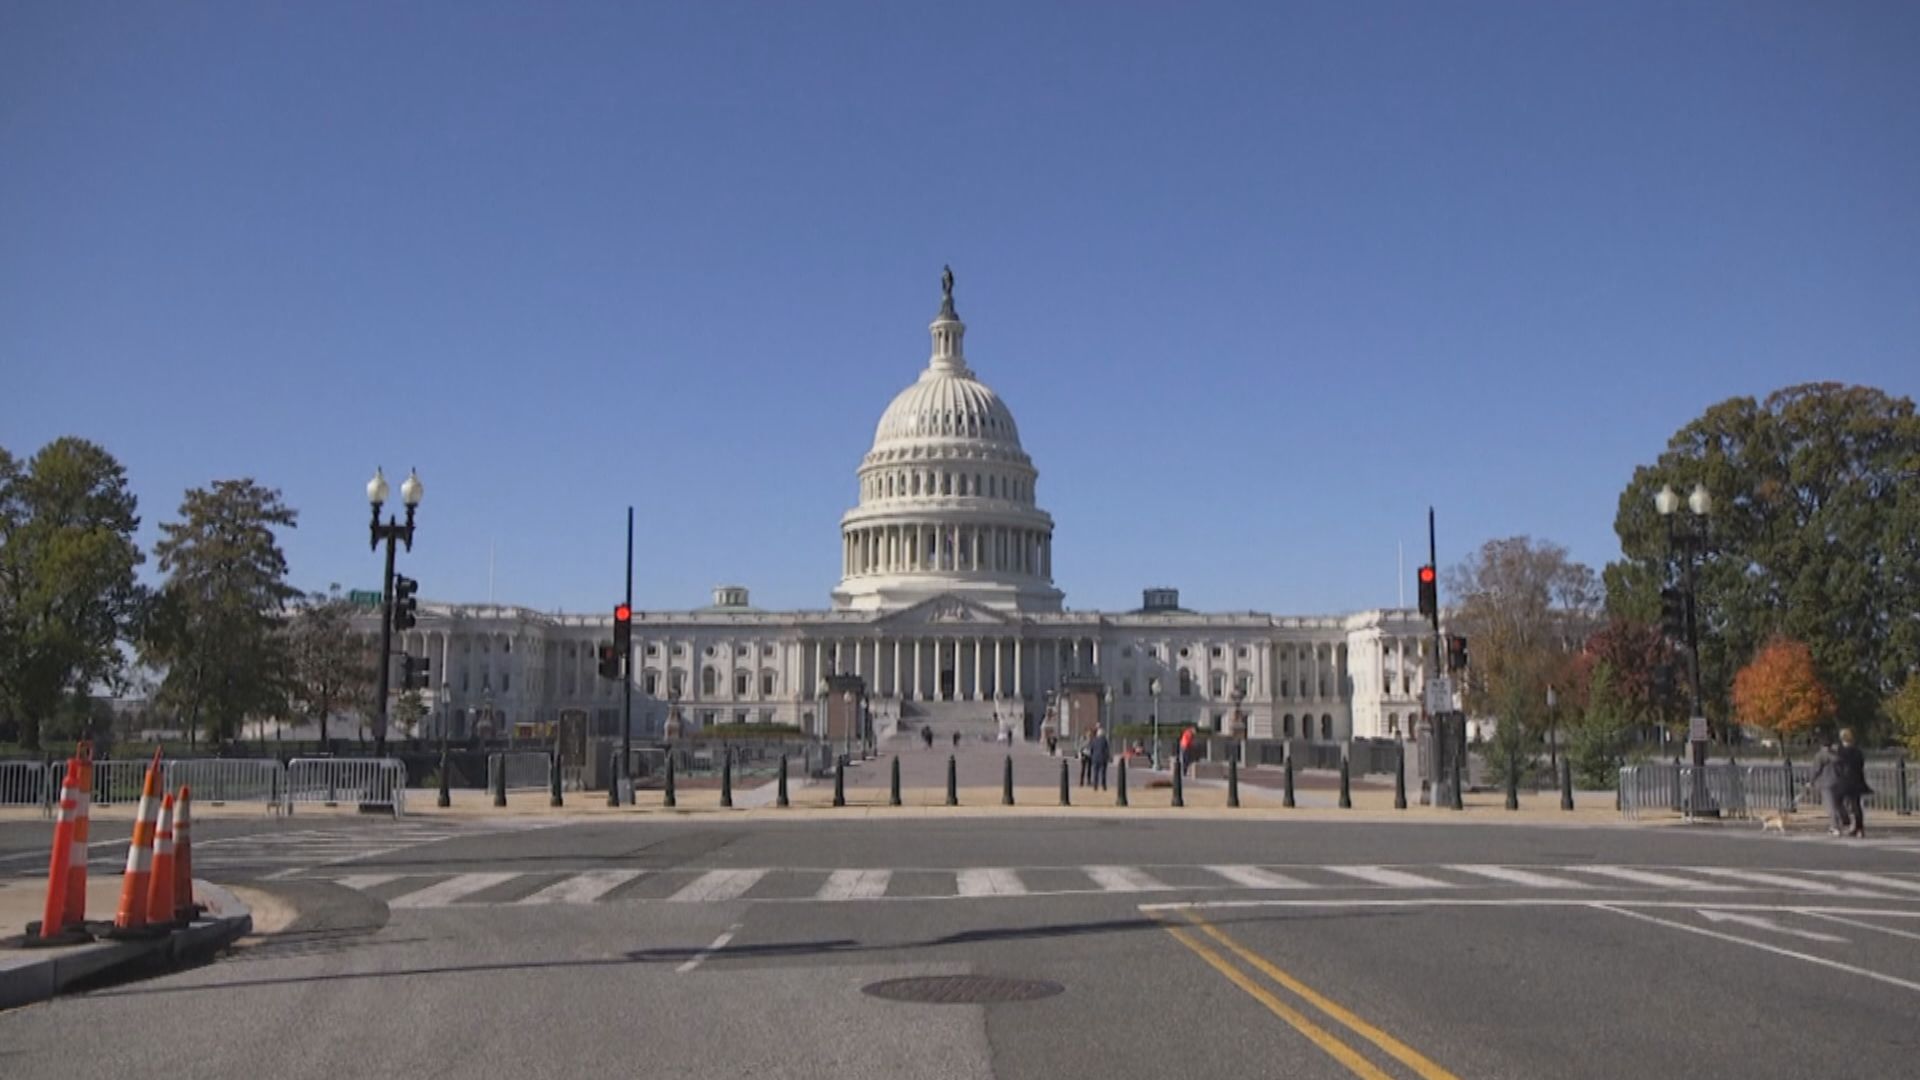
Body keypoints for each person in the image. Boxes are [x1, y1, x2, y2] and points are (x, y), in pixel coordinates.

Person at [1808, 737, 1850, 836]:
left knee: (1831, 806)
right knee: (1839, 804)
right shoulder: (1837, 755)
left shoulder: (1820, 756)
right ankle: (1846, 822)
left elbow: (1816, 770)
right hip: (1839, 782)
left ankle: (1835, 827)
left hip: (1826, 783)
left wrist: (1811, 781)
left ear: (1821, 745)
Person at [1837, 727, 1871, 838]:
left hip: (1845, 781)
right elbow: (1861, 764)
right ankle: (1859, 828)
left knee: (1837, 801)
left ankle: (1848, 823)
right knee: (1856, 805)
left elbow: (1838, 766)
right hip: (1857, 780)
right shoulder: (1857, 751)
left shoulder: (1840, 751)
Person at [1089, 725, 1111, 790]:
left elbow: (1091, 749)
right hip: (1103, 759)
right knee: (1103, 773)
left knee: (1095, 773)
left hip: (1095, 758)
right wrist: (1107, 757)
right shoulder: (1104, 740)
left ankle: (1095, 786)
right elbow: (1107, 750)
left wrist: (1092, 756)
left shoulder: (1094, 740)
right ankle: (1103, 786)